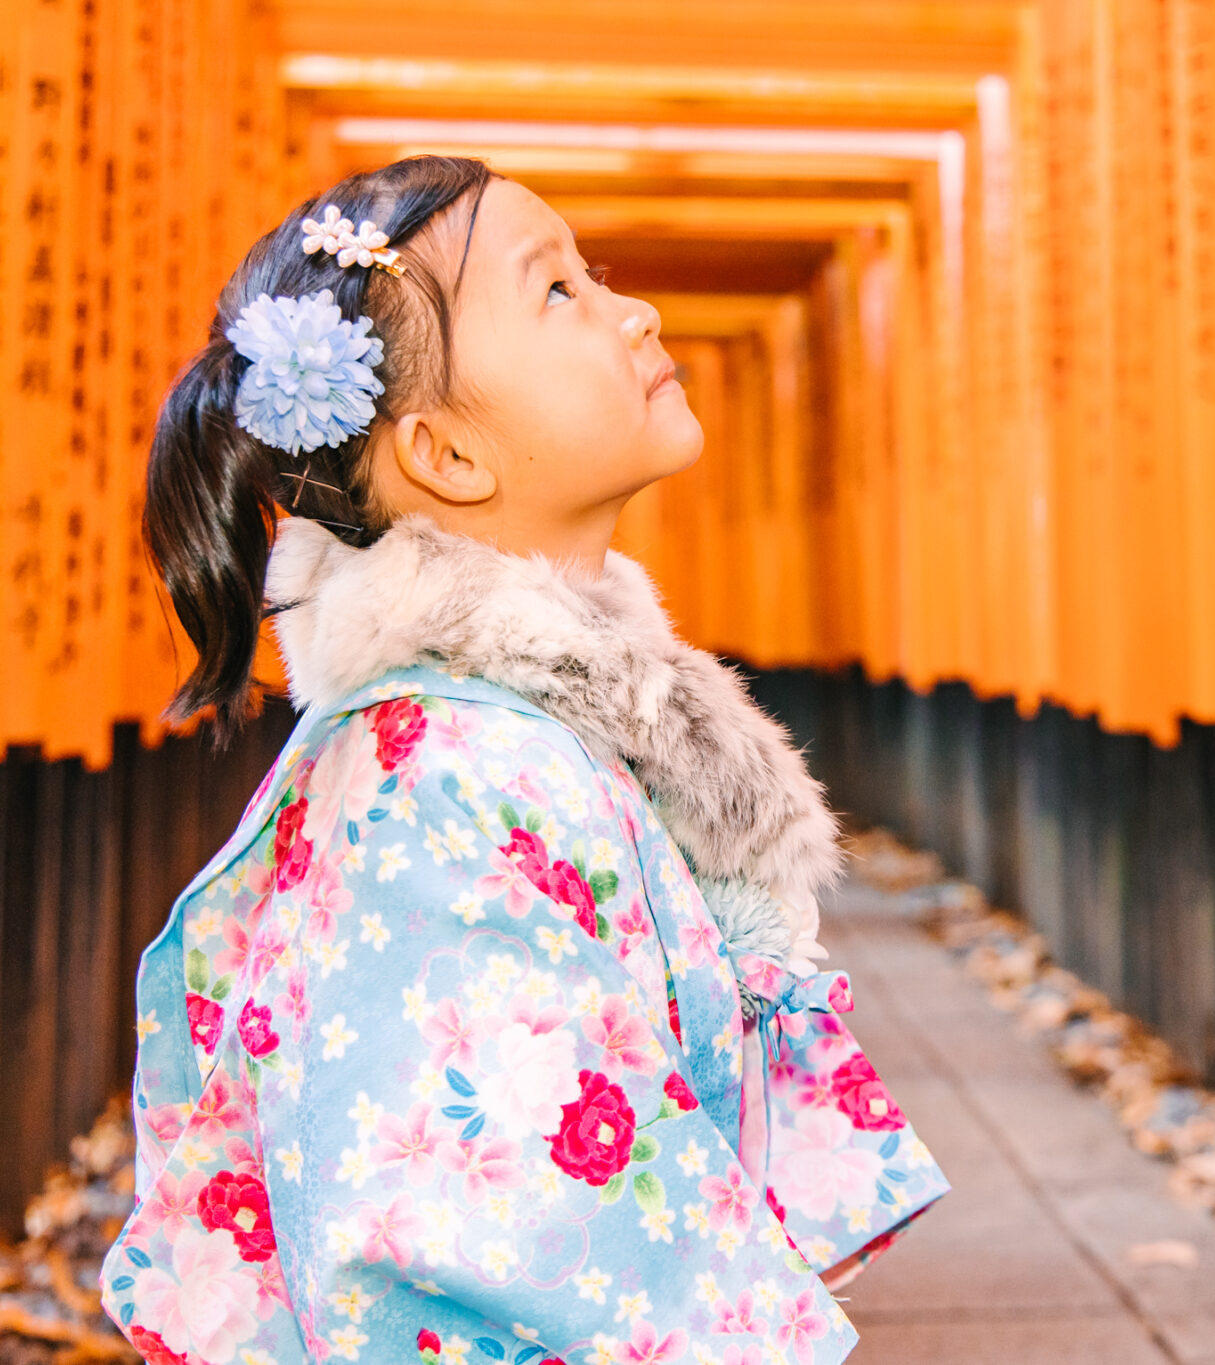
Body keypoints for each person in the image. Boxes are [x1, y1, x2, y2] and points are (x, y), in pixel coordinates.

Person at [102, 155, 945, 1365]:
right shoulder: (432, 777)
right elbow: (475, 1240)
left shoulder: (486, 742)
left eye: (590, 274)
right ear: (444, 456)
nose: (631, 309)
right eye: (556, 291)